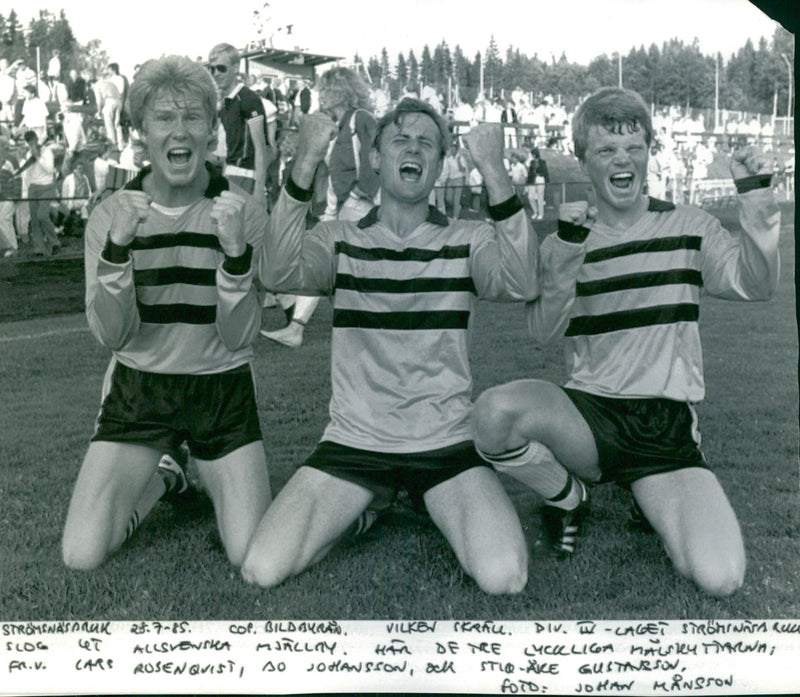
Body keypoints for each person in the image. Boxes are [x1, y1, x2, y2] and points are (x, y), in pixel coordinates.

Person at [471, 87, 781, 598]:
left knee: (719, 577)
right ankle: (567, 495)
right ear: (583, 160)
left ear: (648, 151)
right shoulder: (567, 238)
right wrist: (569, 252)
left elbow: (756, 282)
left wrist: (756, 195)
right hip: (589, 419)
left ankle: (647, 495)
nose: (623, 159)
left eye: (634, 148)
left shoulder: (688, 226)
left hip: (663, 430)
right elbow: (543, 330)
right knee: (492, 413)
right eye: (607, 150)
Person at [240, 99, 539, 593]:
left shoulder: (469, 239)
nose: (414, 148)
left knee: (504, 577)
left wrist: (494, 169)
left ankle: (420, 498)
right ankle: (368, 507)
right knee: (262, 568)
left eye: (427, 142)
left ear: (440, 164)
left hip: (444, 443)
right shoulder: (340, 239)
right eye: (400, 139)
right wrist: (305, 164)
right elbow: (275, 272)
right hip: (354, 443)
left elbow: (524, 282)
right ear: (376, 159)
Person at [61, 55, 272, 572]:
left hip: (221, 389)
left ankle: (197, 461)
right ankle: (167, 471)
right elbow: (112, 333)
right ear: (141, 132)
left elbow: (241, 335)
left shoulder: (242, 211)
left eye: (193, 117)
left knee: (251, 555)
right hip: (140, 388)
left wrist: (236, 256)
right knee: (82, 555)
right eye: (163, 118)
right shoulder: (112, 214)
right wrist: (117, 250)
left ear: (211, 130)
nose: (180, 131)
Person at [261, 66, 379, 349]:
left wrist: (360, 192)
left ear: (343, 92)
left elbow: (375, 157)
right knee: (327, 262)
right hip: (338, 204)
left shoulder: (360, 118)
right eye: (322, 91)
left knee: (341, 264)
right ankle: (298, 327)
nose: (322, 96)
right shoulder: (335, 124)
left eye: (328, 91)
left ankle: (300, 327)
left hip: (359, 204)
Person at [207, 43, 269, 201]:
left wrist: (259, 190)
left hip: (246, 177)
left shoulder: (249, 99)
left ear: (235, 68)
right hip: (228, 175)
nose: (216, 73)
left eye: (221, 68)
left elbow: (261, 148)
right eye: (212, 69)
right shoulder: (225, 102)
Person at [15, 130, 60, 256]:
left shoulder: (47, 151)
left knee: (42, 215)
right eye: (29, 142)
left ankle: (54, 242)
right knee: (34, 220)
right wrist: (29, 187)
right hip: (33, 188)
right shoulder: (30, 153)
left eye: (33, 140)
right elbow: (28, 173)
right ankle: (39, 248)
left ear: (36, 139)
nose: (31, 143)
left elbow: (50, 170)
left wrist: (38, 157)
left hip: (46, 187)